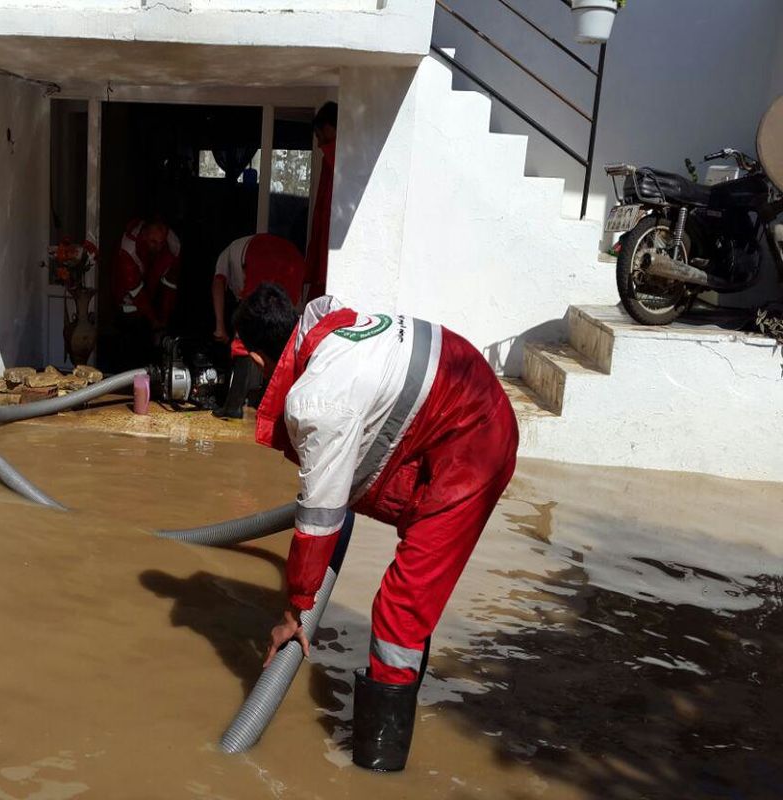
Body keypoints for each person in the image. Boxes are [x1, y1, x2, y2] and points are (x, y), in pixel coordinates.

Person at [234, 284, 519, 773]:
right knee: (410, 581)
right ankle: (398, 702)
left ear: (260, 361)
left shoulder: (320, 398)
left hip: (474, 439)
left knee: (400, 609)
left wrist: (295, 611)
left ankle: (379, 766)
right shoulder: (327, 330)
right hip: (459, 406)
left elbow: (321, 519)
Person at [210, 233, 305, 419]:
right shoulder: (239, 251)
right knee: (284, 335)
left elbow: (218, 284)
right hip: (295, 259)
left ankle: (233, 406)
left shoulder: (224, 256)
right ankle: (275, 405)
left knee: (244, 338)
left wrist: (219, 326)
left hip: (262, 254)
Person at [112, 218, 181, 370]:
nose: (158, 247)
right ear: (143, 236)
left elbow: (170, 286)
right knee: (131, 336)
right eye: (153, 242)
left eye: (161, 243)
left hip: (152, 288)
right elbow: (135, 292)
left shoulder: (173, 246)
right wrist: (154, 320)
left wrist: (164, 318)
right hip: (128, 298)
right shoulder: (128, 249)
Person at [306, 102, 337, 301]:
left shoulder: (339, 155)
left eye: (318, 135)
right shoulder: (330, 158)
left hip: (332, 259)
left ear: (328, 128)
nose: (318, 144)